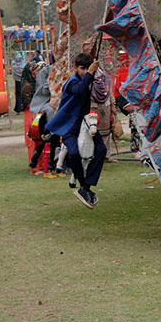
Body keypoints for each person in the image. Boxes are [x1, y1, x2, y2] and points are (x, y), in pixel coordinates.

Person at [45, 54, 107, 209]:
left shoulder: (87, 78)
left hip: (85, 124)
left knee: (101, 150)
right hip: (70, 126)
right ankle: (83, 187)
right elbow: (79, 91)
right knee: (74, 153)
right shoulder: (72, 82)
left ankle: (88, 185)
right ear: (75, 68)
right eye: (82, 68)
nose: (85, 71)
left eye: (87, 68)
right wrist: (89, 72)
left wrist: (91, 73)